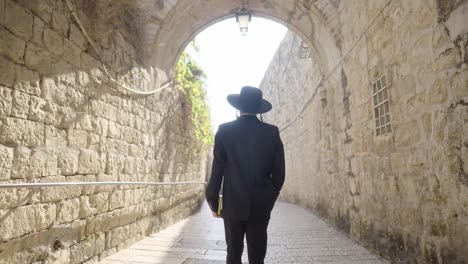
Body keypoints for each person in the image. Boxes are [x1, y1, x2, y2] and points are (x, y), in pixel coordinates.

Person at [206, 86, 285, 264]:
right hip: (261, 204)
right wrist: (270, 196)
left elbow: (217, 170)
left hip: (232, 203)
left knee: (233, 253)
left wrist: (213, 202)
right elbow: (279, 173)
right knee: (257, 255)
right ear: (258, 109)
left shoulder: (224, 131)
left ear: (238, 107)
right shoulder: (272, 132)